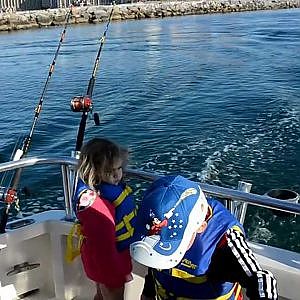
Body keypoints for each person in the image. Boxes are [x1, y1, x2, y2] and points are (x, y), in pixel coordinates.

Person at [130, 175, 278, 300]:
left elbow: (261, 279)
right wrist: (147, 294)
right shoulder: (154, 221)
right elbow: (154, 267)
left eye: (175, 244)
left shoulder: (223, 240)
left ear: (200, 226)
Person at [73, 137, 137, 300]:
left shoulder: (98, 193)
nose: (117, 175)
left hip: (98, 259)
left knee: (101, 294)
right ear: (93, 172)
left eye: (119, 168)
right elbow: (104, 247)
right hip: (109, 264)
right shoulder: (98, 206)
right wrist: (114, 273)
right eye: (109, 171)